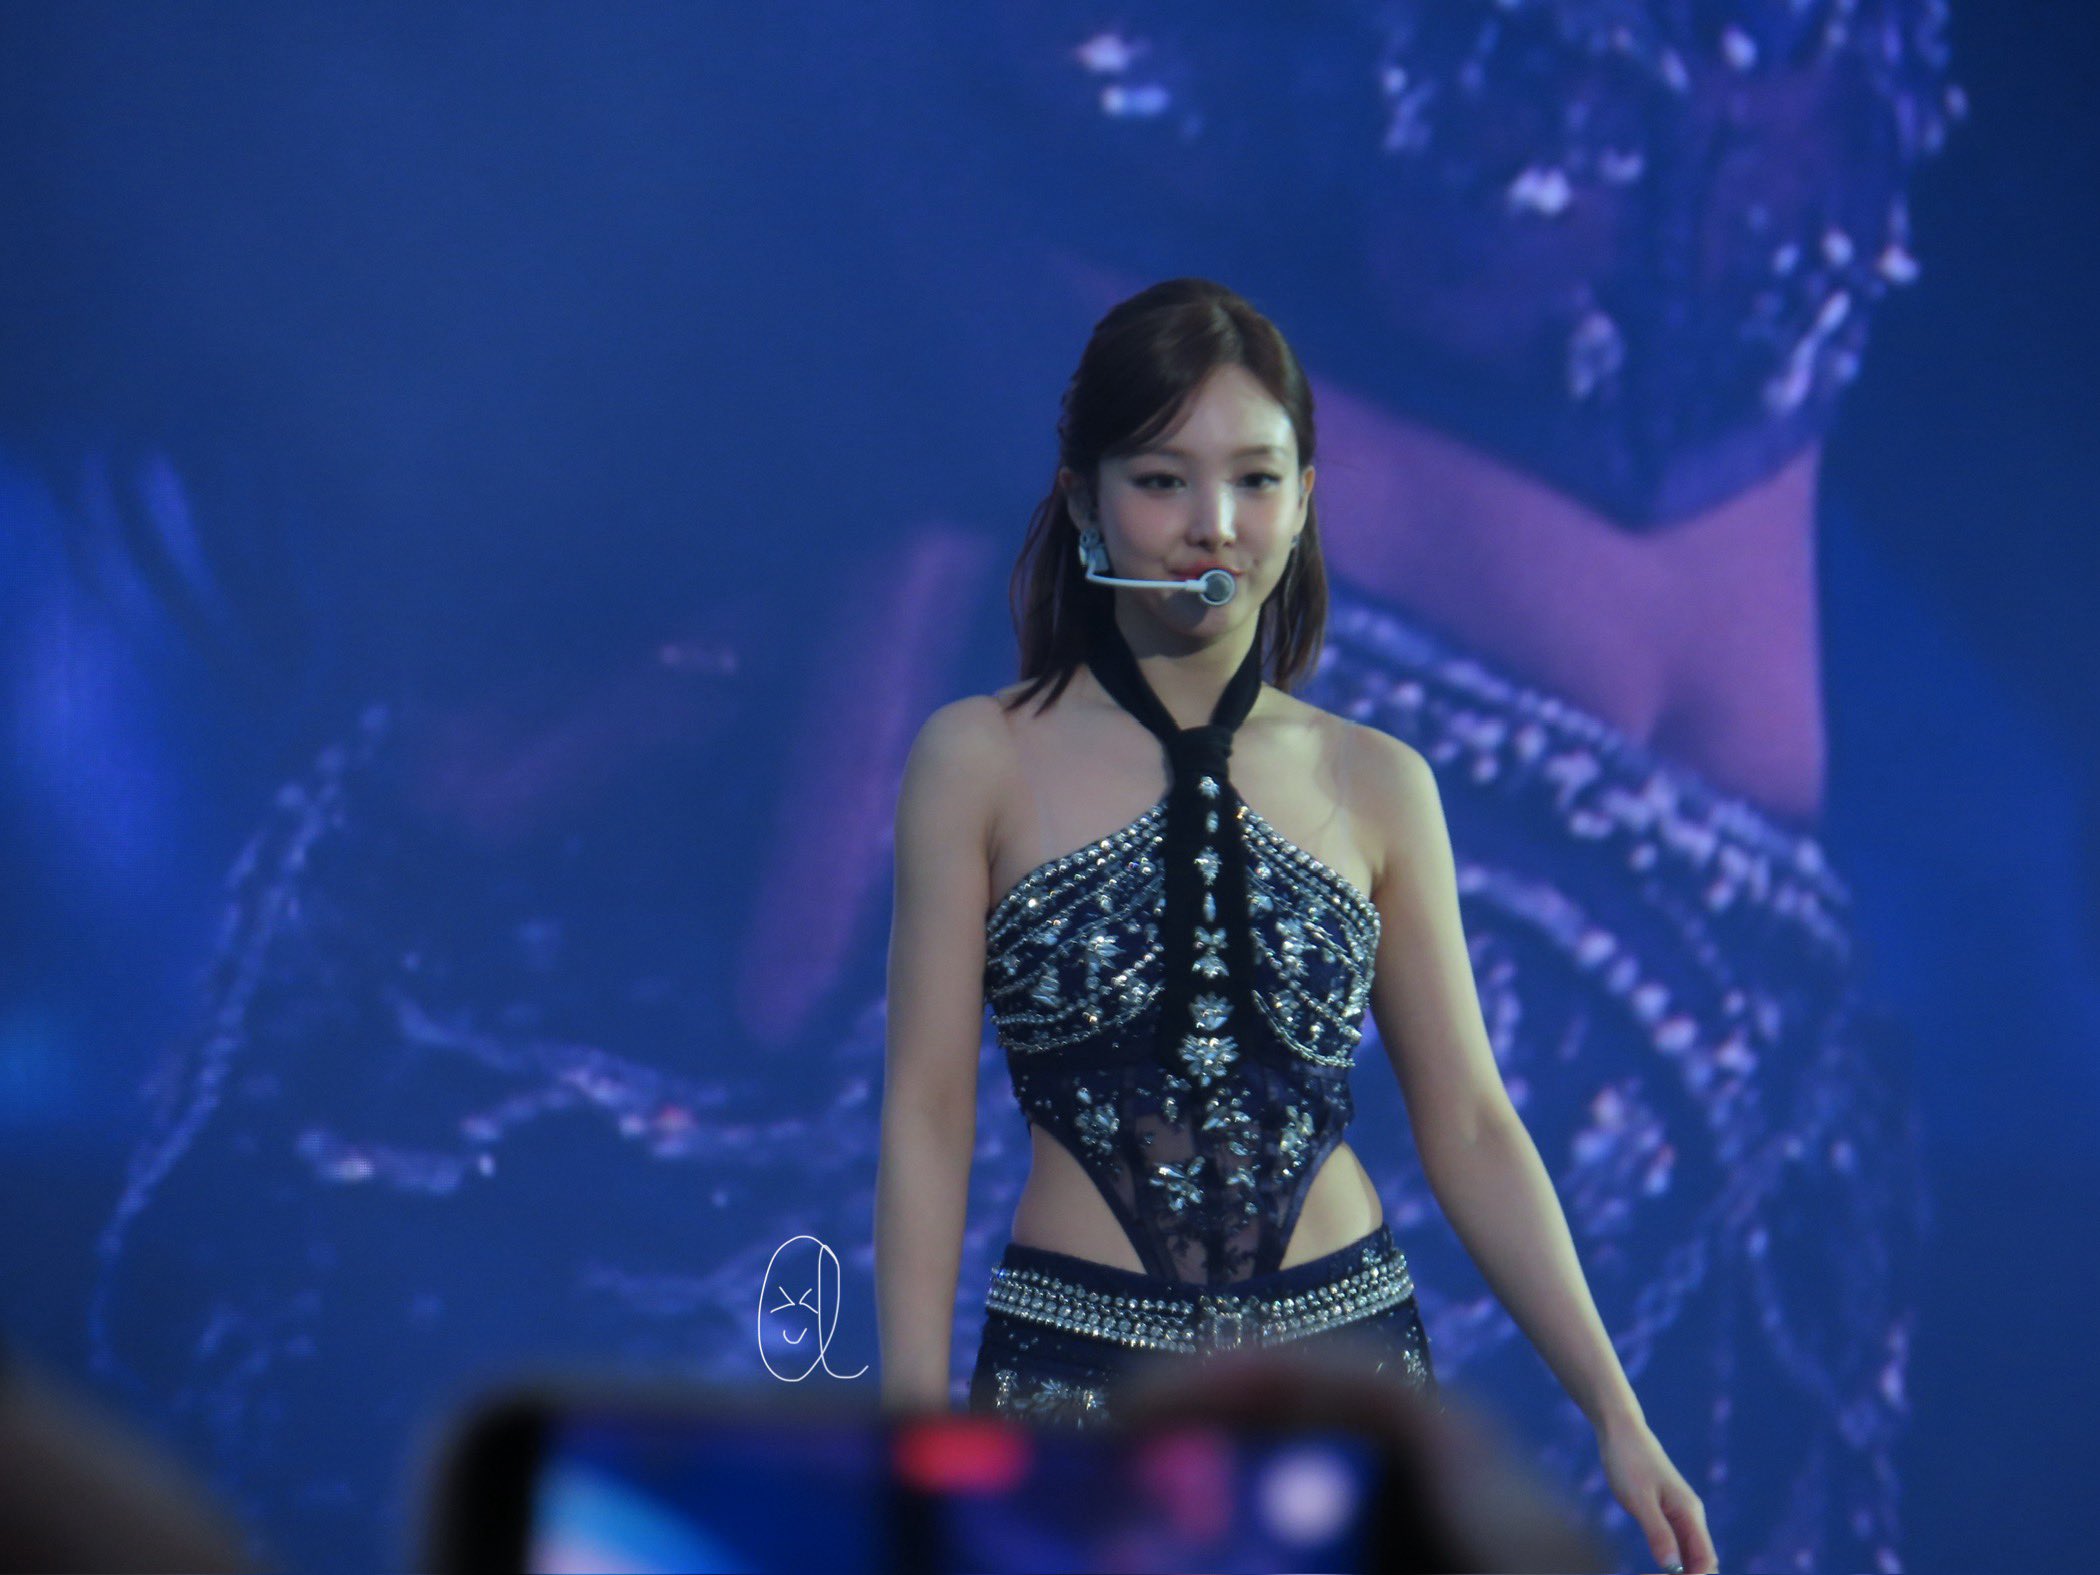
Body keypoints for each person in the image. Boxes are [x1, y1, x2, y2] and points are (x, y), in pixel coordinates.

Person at [873, 277, 1715, 1574]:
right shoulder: (977, 757)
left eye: (1255, 481)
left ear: (1307, 497)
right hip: (1077, 1378)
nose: (1213, 525)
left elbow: (1472, 1124)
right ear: (1086, 496)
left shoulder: (1379, 782)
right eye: (1162, 480)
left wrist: (1619, 1414)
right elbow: (927, 1114)